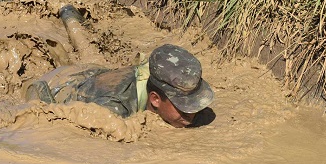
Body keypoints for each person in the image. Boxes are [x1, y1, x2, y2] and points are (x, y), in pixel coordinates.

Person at [25, 9, 215, 128]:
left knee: (86, 49)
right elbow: (52, 118)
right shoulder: (113, 110)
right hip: (60, 83)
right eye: (184, 106)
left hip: (101, 73)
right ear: (155, 99)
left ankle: (68, 13)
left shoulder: (166, 72)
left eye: (195, 103)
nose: (192, 114)